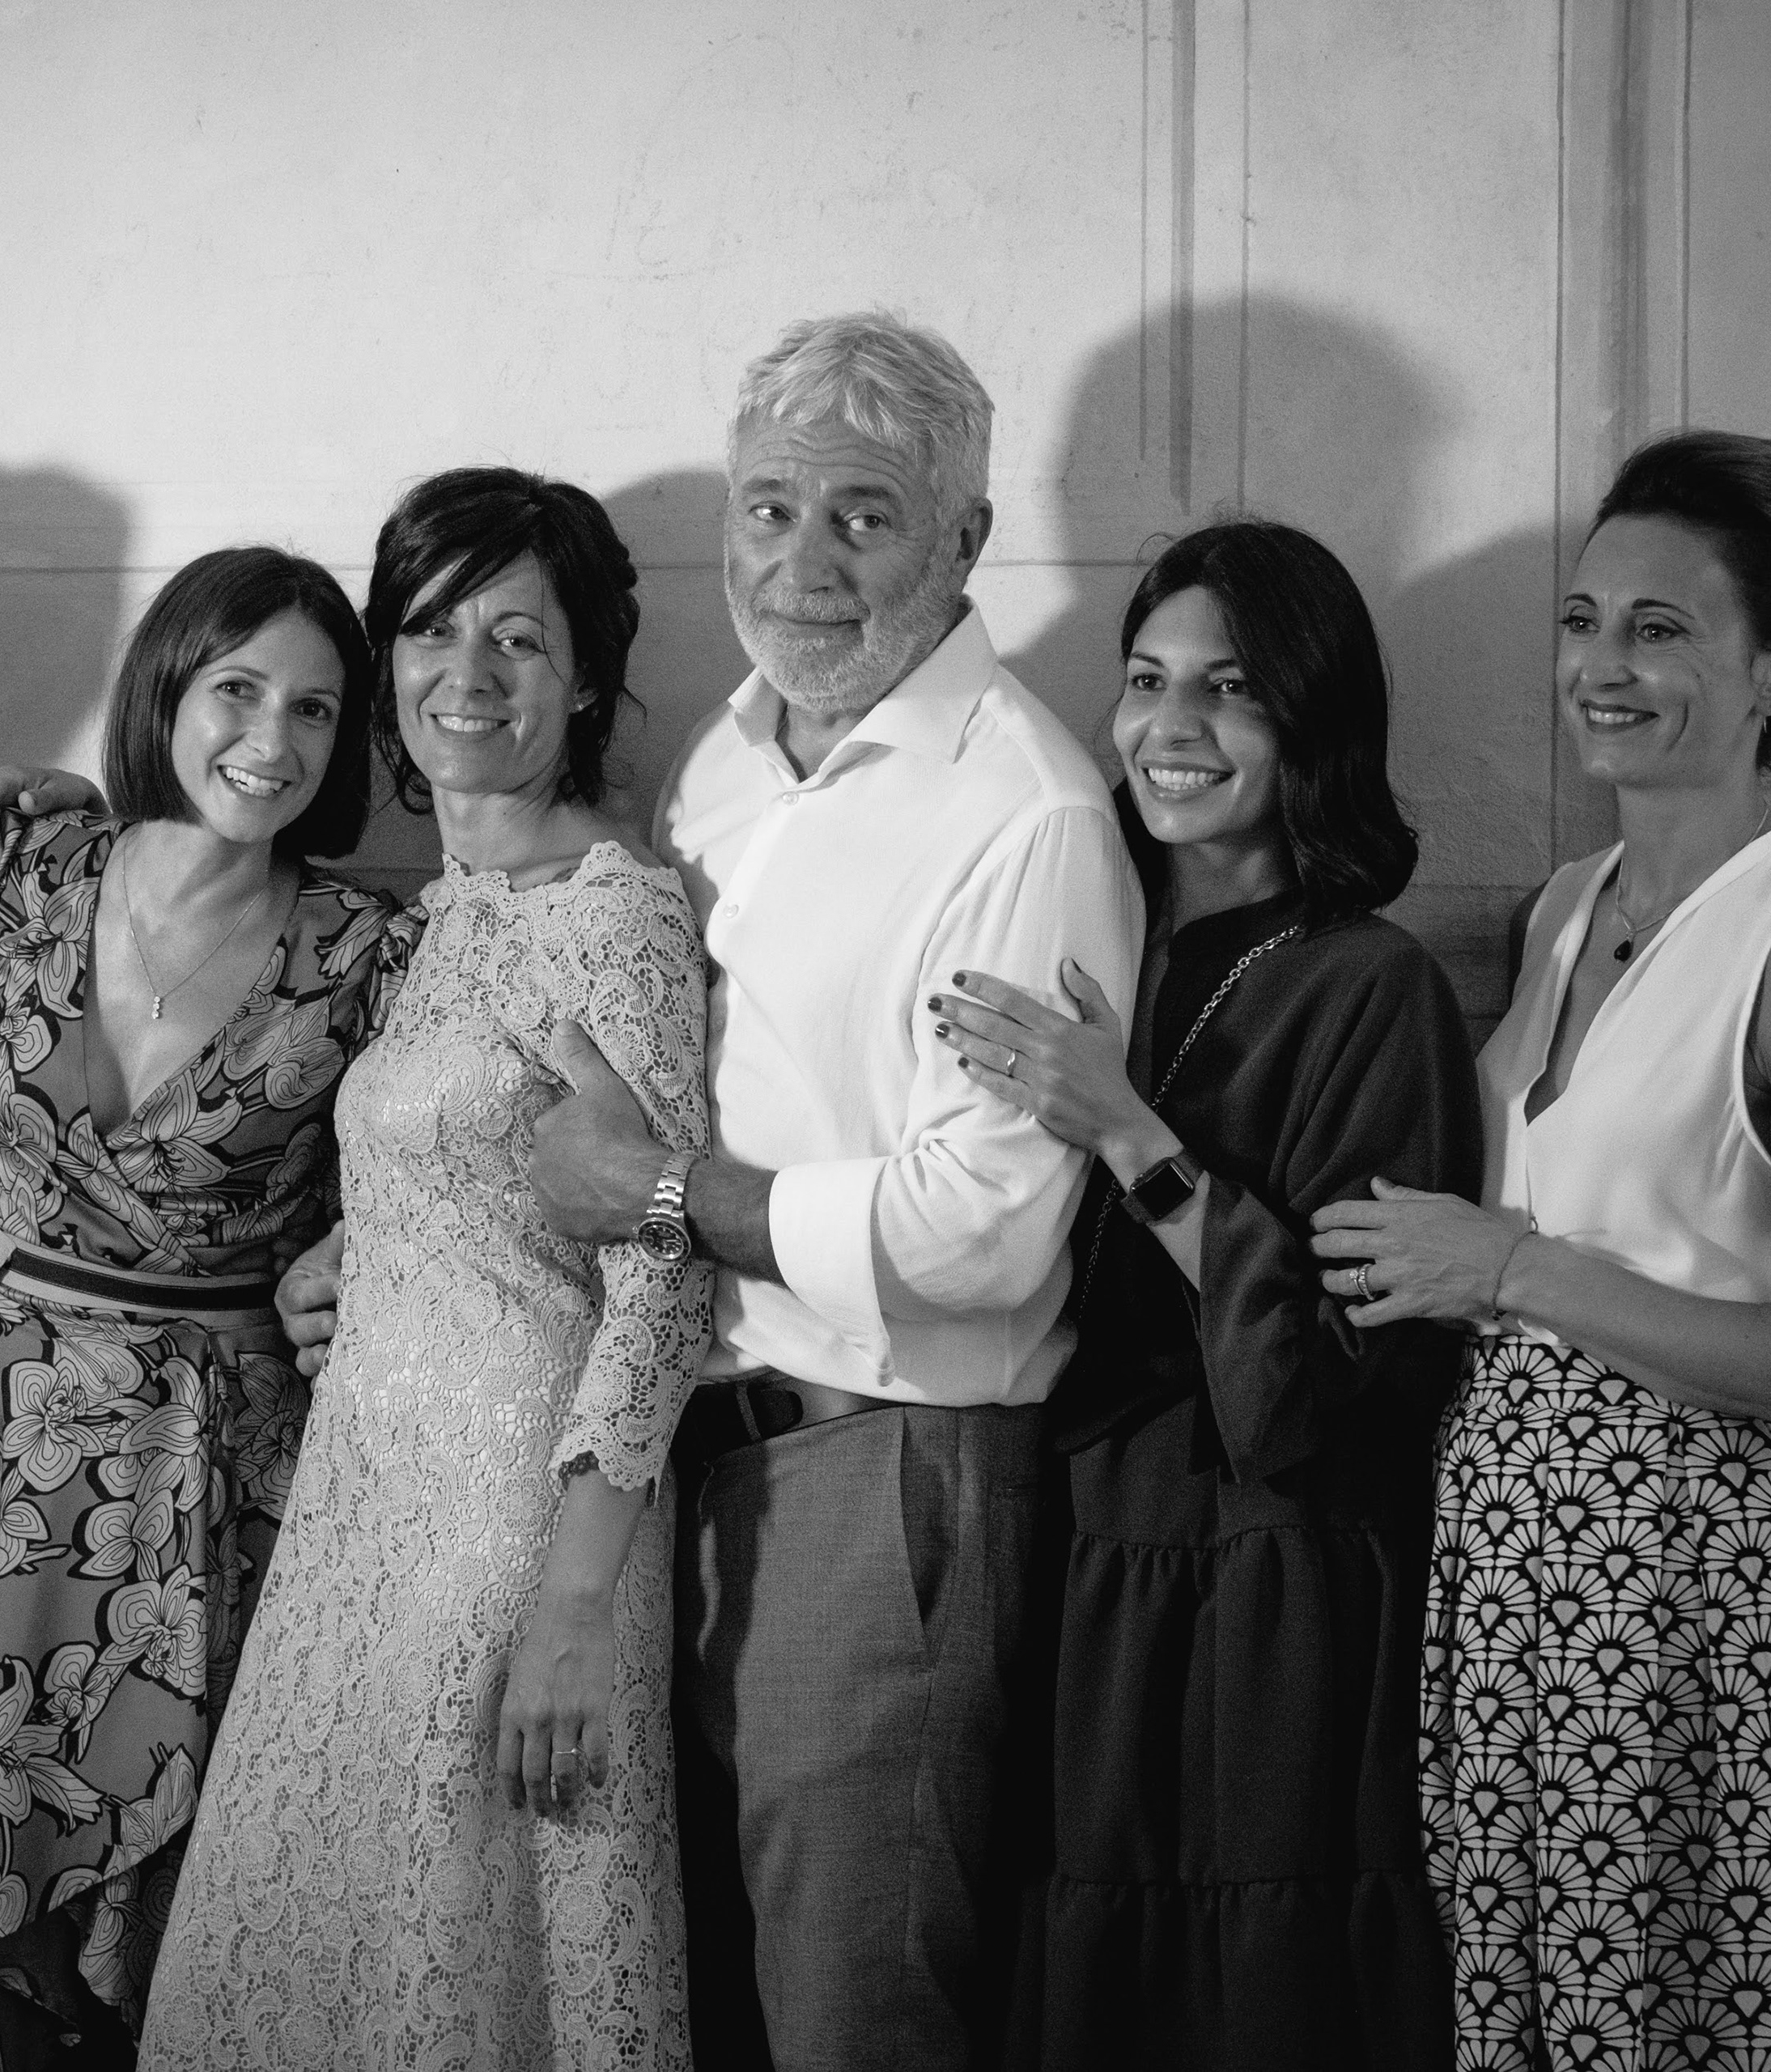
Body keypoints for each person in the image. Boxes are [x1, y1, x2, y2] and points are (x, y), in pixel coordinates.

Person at [518, 310, 1144, 2067]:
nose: (803, 563)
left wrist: (662, 1196)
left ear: (965, 539)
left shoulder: (1026, 815)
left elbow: (978, 1233)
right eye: (771, 507)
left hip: (891, 1484)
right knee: (701, 2014)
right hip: (689, 1464)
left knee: (856, 2021)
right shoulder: (719, 763)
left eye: (864, 515)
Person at [1310, 429, 1771, 2068]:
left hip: (1683, 1578)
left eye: (1660, 629)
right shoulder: (1566, 904)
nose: (1600, 665)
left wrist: (1507, 1267)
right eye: (1583, 621)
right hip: (1507, 1556)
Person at [139, 468, 713, 2067]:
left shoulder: (612, 915)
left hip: (515, 1521)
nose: (469, 672)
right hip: (366, 1500)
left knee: (455, 1973)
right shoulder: (450, 908)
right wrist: (347, 1253)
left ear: (584, 679)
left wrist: (576, 1603)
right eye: (434, 629)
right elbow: (481, 1163)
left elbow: (666, 1266)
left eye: (518, 638)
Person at [0, 546, 410, 2068]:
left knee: (166, 1903)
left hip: (200, 1481)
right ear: (164, 688)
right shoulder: (25, 877)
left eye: (315, 710)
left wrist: (339, 1266)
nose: (271, 741)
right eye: (237, 690)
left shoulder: (373, 955)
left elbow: (422, 1181)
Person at [928, 520, 1474, 2065]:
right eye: (1146, 679)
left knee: (1247, 1995)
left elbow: (1352, 1376)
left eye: (1231, 688)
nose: (1172, 726)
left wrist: (1130, 1133)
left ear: (1313, 720)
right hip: (1077, 1547)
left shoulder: (1369, 982)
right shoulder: (1087, 933)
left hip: (1267, 1580)